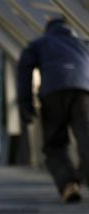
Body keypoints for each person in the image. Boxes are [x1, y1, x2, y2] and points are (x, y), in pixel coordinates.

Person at [17, 16, 89, 204]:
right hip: (83, 91)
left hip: (52, 93)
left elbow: (24, 69)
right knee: (86, 137)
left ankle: (68, 184)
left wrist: (25, 103)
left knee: (55, 143)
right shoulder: (83, 43)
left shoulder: (40, 44)